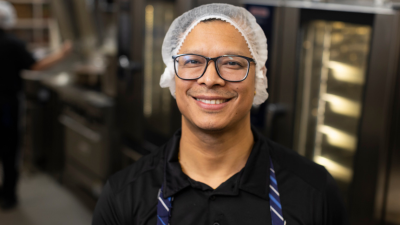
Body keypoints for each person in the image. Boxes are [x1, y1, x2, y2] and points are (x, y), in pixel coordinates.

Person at [92, 3, 347, 225]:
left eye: (232, 63)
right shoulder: (122, 195)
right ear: (172, 75)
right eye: (193, 61)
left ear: (259, 77)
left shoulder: (315, 191)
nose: (210, 79)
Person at [0, 1, 72, 210]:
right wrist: (62, 53)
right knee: (9, 149)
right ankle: (9, 195)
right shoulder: (13, 43)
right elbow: (36, 65)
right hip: (6, 104)